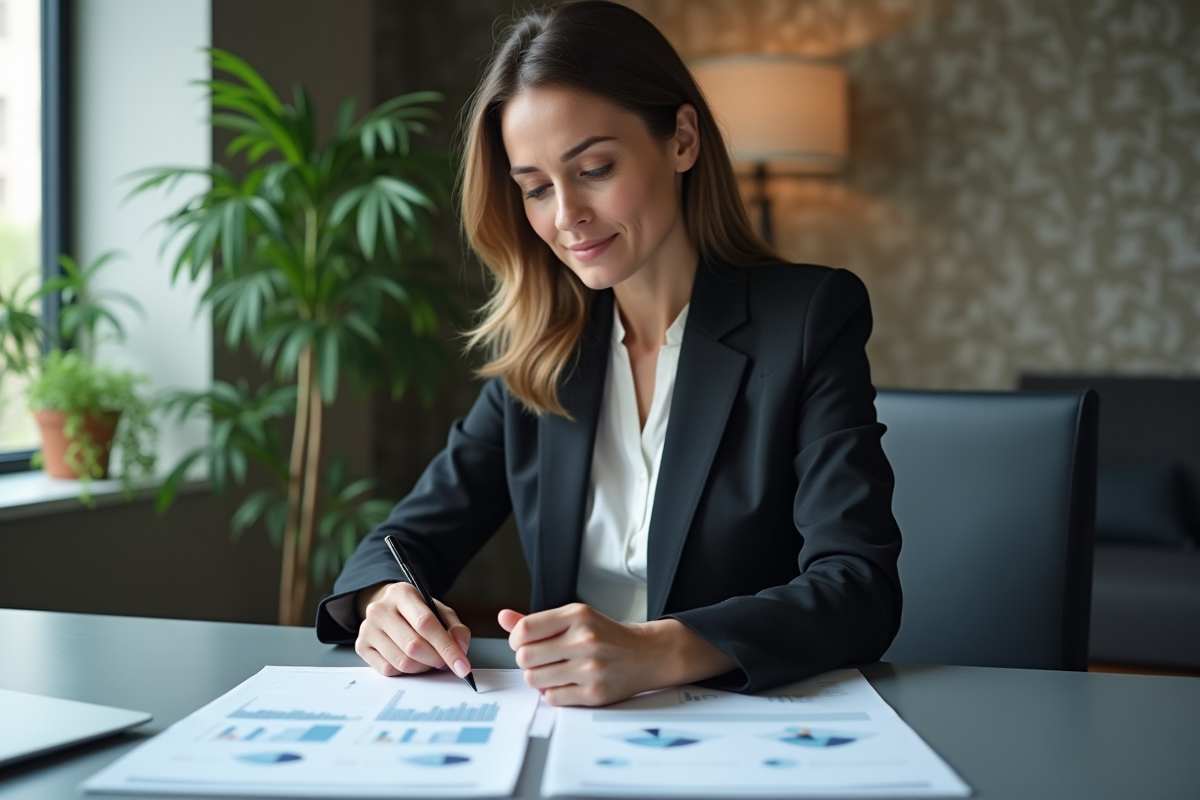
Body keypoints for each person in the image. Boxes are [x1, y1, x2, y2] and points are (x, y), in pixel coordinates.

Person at [316, 0, 902, 707]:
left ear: (681, 139)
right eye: (536, 188)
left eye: (594, 168)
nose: (566, 217)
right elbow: (403, 541)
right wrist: (384, 599)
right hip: (569, 731)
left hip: (739, 724)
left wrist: (660, 650)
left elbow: (858, 589)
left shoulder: (808, 319)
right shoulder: (540, 348)